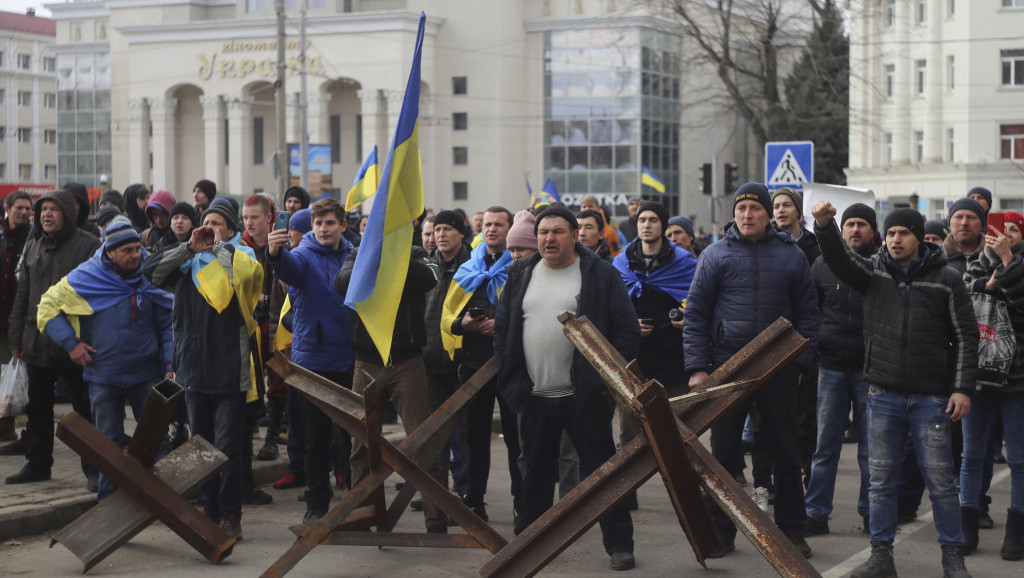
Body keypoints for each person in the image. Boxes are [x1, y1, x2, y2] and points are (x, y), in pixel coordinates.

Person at [811, 201, 977, 578]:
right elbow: (838, 260)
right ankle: (880, 556)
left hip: (931, 399)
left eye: (903, 232)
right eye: (890, 233)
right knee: (881, 481)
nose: (896, 239)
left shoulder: (946, 279)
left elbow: (966, 336)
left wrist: (962, 388)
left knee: (941, 483)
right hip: (883, 395)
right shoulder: (873, 273)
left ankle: (953, 557)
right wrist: (825, 226)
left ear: (918, 238)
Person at [495, 204, 639, 571]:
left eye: (558, 231)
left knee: (604, 475)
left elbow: (626, 331)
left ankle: (620, 545)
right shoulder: (519, 274)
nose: (549, 238)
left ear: (575, 235)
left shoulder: (599, 274)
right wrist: (514, 382)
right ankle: (529, 546)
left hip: (585, 398)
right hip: (535, 396)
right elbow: (503, 330)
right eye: (543, 232)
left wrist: (605, 383)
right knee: (535, 477)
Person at [683, 182, 817, 559]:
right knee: (723, 456)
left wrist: (801, 361)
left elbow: (808, 314)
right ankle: (720, 533)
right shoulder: (715, 254)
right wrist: (697, 368)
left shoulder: (792, 257)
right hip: (727, 371)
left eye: (755, 209)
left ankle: (793, 531)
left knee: (785, 452)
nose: (747, 215)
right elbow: (696, 315)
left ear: (767, 213)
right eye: (741, 209)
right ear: (735, 213)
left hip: (779, 370)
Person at [142, 202, 264, 539]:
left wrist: (220, 248)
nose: (210, 227)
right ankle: (207, 510)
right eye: (206, 222)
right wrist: (188, 247)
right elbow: (150, 271)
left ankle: (230, 514)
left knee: (228, 448)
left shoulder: (244, 257)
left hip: (230, 370)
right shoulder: (188, 263)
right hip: (193, 369)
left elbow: (246, 279)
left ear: (231, 229)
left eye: (218, 223)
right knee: (201, 446)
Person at [37, 217, 174, 501]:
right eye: (127, 251)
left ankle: (169, 502)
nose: (136, 255)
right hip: (104, 377)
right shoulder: (87, 277)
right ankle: (109, 507)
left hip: (147, 375)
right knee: (107, 447)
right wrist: (71, 344)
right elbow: (46, 308)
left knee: (157, 442)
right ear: (109, 252)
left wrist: (171, 365)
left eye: (138, 248)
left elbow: (168, 324)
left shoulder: (152, 275)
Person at [334, 242, 445, 533]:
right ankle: (360, 515)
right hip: (367, 362)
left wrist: (394, 256)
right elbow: (342, 283)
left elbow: (429, 278)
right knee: (361, 444)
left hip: (407, 362)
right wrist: (374, 255)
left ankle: (436, 519)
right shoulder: (359, 253)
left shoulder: (417, 254)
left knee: (423, 440)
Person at [6, 190, 102, 487]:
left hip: (76, 343)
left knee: (83, 409)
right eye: (42, 209)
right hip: (36, 340)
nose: (46, 214)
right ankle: (38, 464)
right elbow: (24, 292)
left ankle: (94, 468)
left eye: (53, 209)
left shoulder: (89, 246)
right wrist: (16, 335)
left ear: (68, 214)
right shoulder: (34, 244)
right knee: (38, 408)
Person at [267, 198, 355, 521]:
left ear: (342, 225)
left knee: (352, 438)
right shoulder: (303, 254)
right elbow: (288, 267)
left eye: (330, 223)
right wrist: (275, 253)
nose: (323, 229)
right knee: (315, 439)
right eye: (318, 224)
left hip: (349, 359)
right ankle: (317, 505)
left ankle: (358, 500)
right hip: (312, 363)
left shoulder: (353, 255)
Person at [441, 207, 520, 521]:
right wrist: (465, 324)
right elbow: (448, 316)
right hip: (474, 363)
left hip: (512, 362)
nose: (491, 229)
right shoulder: (468, 267)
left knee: (517, 437)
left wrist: (500, 324)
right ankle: (473, 501)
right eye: (487, 224)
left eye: (499, 224)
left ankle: (522, 502)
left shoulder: (520, 266)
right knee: (472, 437)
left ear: (509, 229)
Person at [804, 203, 878, 537]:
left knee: (871, 450)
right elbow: (811, 312)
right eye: (849, 224)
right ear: (841, 229)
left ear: (872, 231)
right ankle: (816, 513)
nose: (855, 230)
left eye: (862, 224)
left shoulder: (880, 266)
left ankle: (870, 513)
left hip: (870, 370)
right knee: (825, 447)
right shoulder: (822, 264)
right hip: (831, 367)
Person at [961, 210, 1024, 560]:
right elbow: (970, 296)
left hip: (1017, 381)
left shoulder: (1016, 262)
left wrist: (1008, 264)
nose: (1006, 235)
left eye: (1013, 230)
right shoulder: (977, 263)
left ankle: (1016, 531)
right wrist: (994, 276)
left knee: (1018, 458)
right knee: (971, 454)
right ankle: (967, 525)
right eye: (1000, 229)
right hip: (980, 378)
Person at [422, 210, 471, 497]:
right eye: (436, 229)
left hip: (462, 363)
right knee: (433, 435)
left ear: (461, 233)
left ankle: (465, 496)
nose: (440, 234)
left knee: (463, 436)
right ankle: (435, 499)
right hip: (429, 361)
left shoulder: (473, 268)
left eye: (447, 229)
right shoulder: (427, 268)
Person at [0, 191, 32, 444]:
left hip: (20, 319)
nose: (24, 212)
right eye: (19, 208)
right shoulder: (1, 238)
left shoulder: (33, 239)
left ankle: (10, 428)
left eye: (27, 209)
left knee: (16, 375)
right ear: (7, 208)